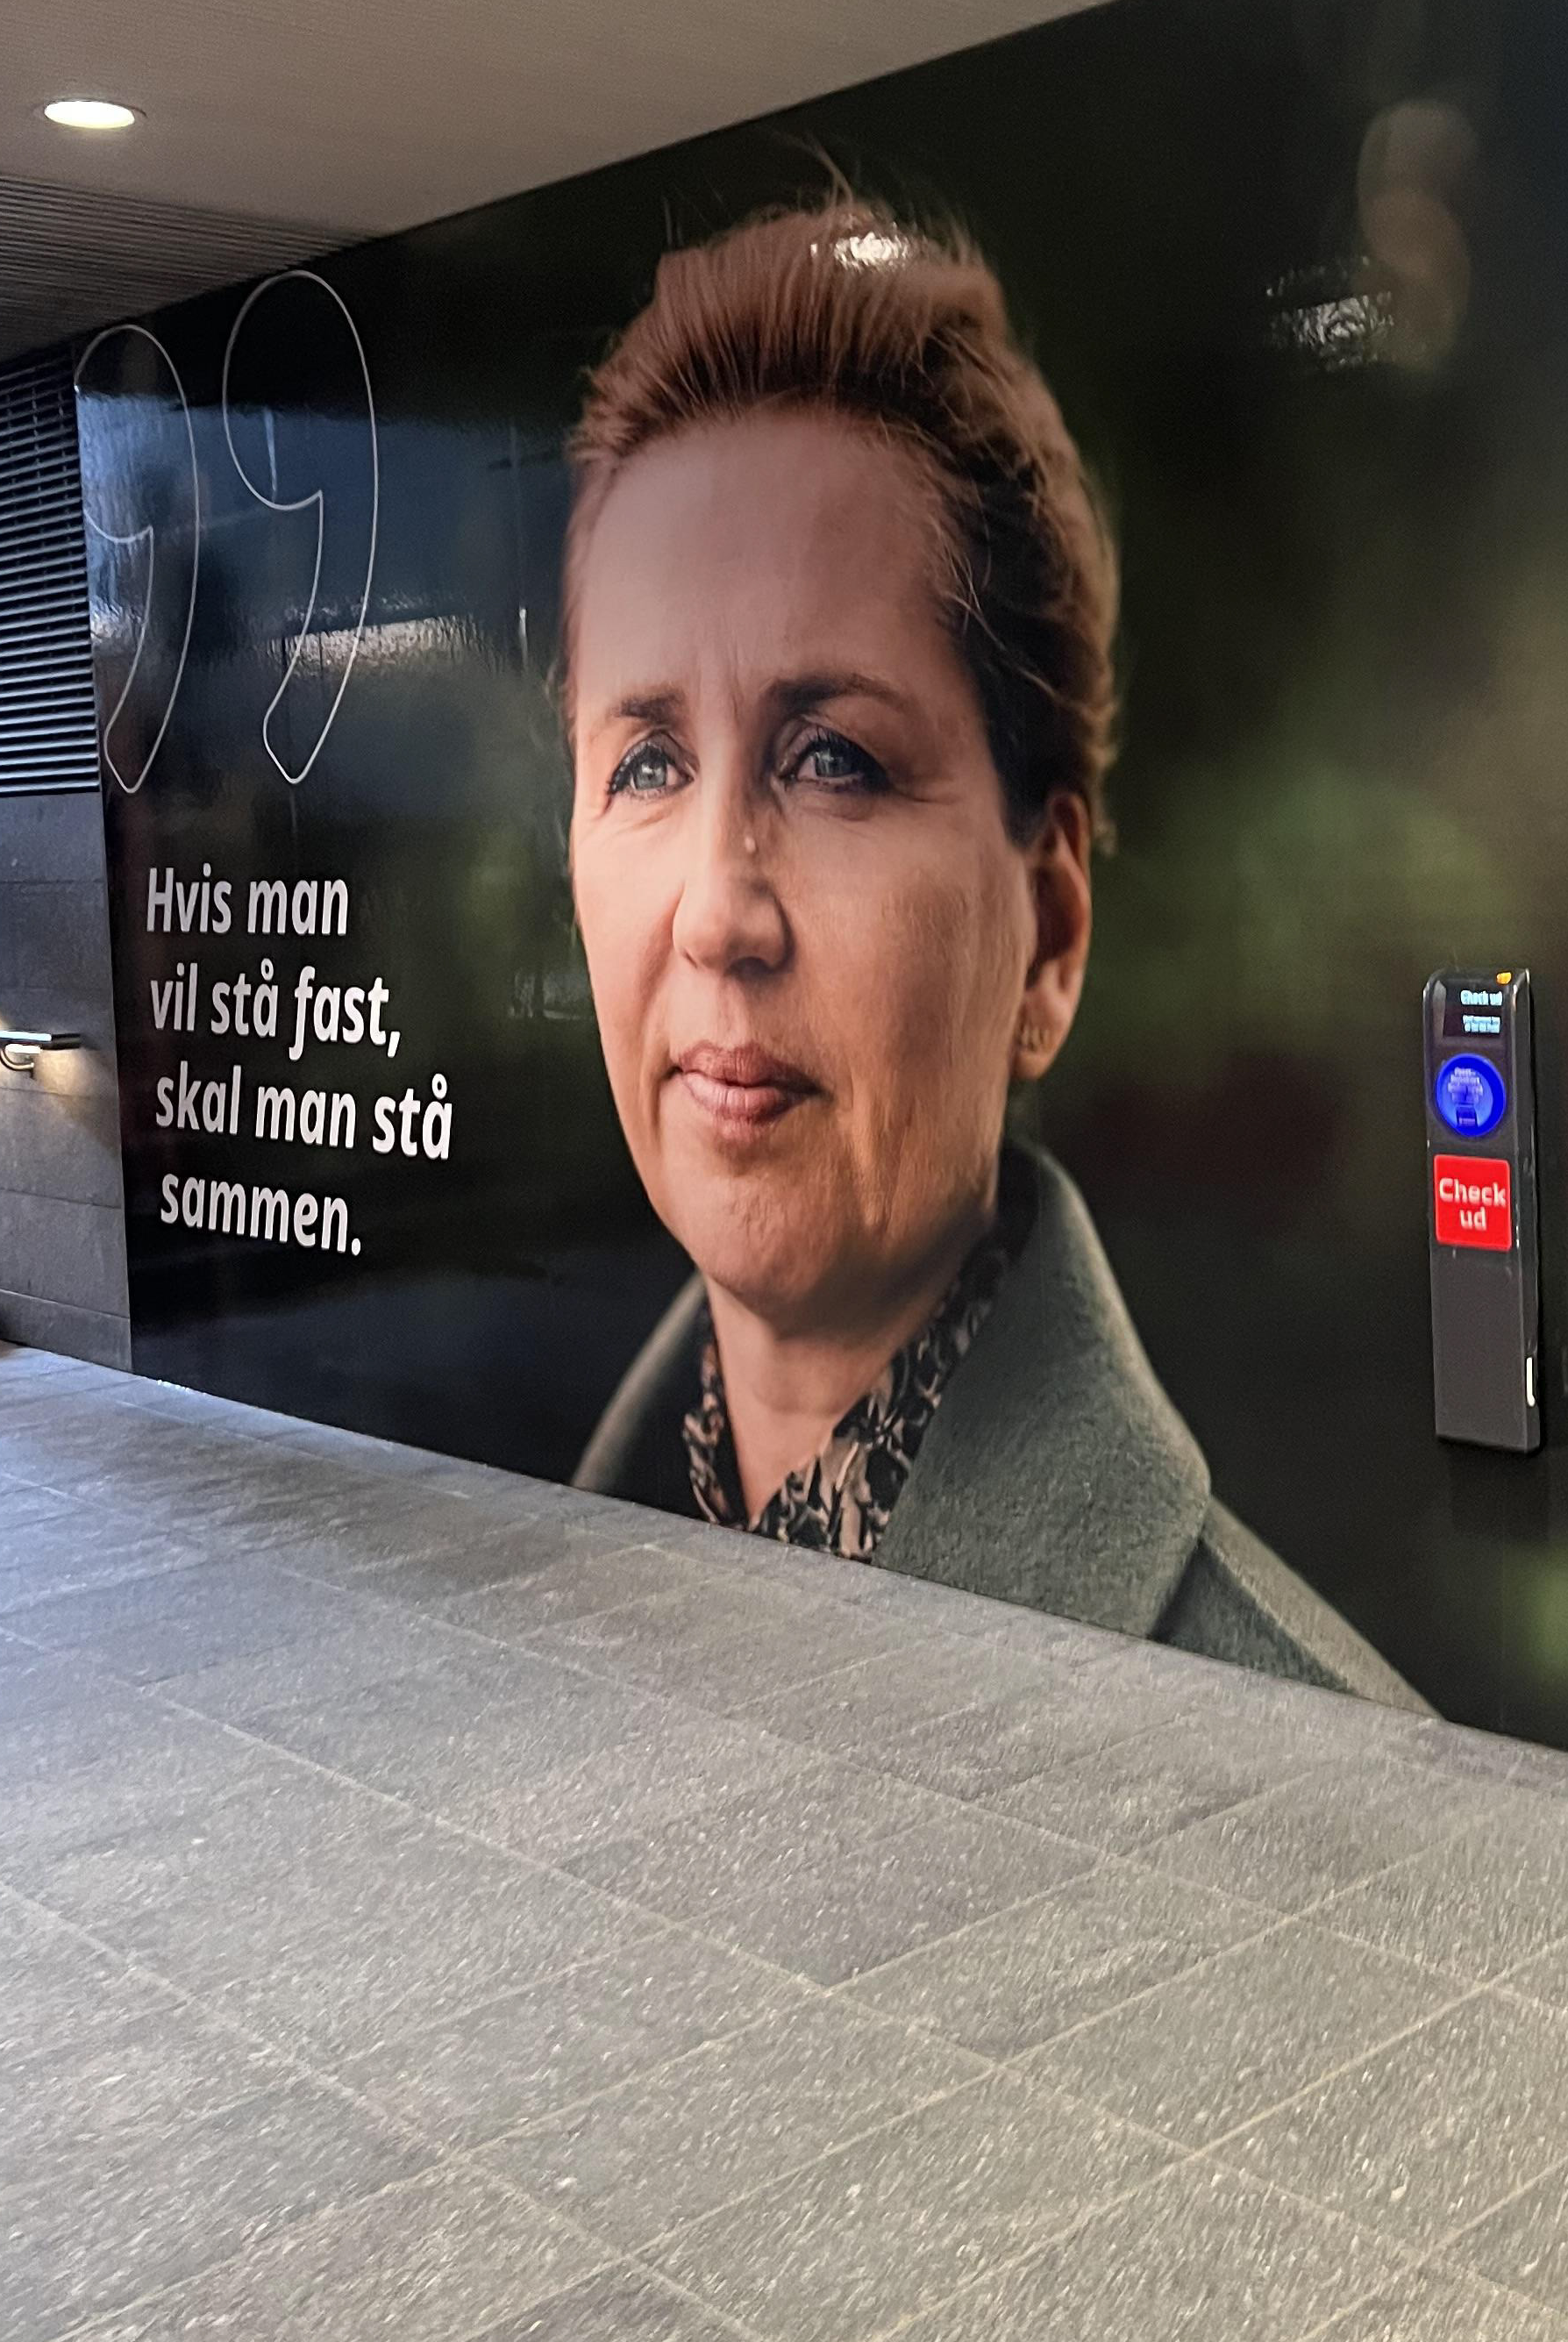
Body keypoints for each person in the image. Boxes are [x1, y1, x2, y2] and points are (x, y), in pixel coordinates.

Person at [561, 199, 1420, 1704]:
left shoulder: (1313, 1755)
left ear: (1049, 938)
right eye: (646, 763)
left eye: (832, 759)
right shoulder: (529, 1584)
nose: (713, 915)